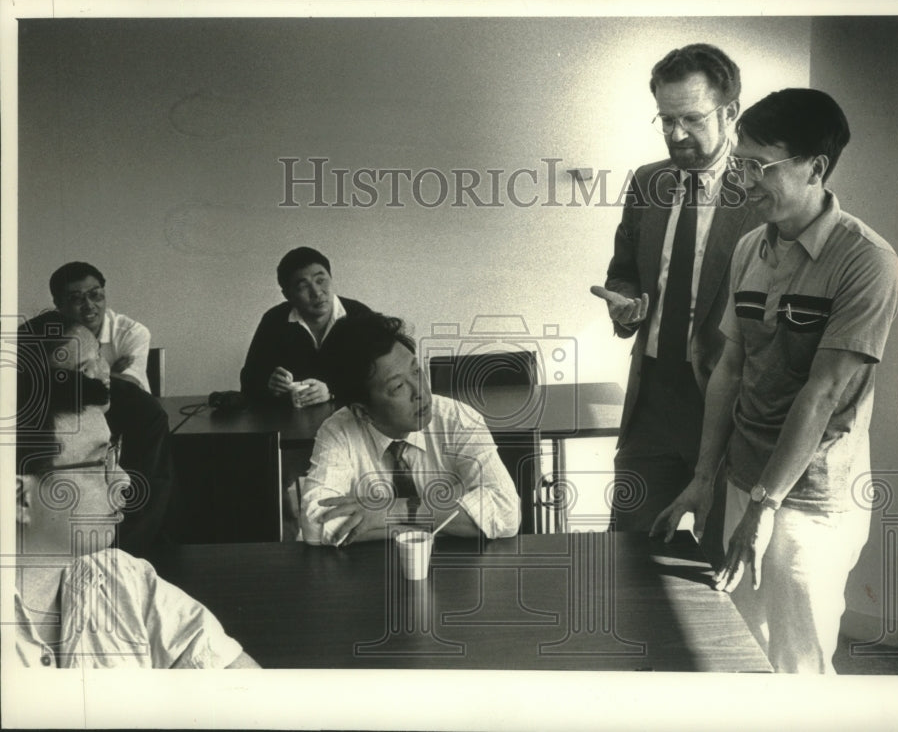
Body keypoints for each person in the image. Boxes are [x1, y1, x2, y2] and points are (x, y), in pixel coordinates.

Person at [651, 88, 898, 673]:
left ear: (815, 167)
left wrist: (763, 511)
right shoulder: (749, 248)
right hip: (746, 479)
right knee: (744, 649)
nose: (744, 180)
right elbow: (730, 370)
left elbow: (823, 395)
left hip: (811, 500)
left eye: (758, 167)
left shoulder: (867, 261)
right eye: (739, 164)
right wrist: (703, 478)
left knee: (799, 664)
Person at [590, 44, 762, 546]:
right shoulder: (648, 183)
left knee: (715, 563)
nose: (676, 133)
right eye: (665, 119)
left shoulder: (760, 193)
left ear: (730, 112)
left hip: (727, 404)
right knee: (628, 553)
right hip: (652, 402)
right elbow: (624, 271)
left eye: (690, 118)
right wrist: (623, 306)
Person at [14, 370, 259, 668]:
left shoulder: (122, 579)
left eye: (114, 454)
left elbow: (242, 684)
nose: (124, 480)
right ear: (19, 498)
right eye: (99, 462)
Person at [300, 312, 520, 544]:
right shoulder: (338, 430)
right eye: (398, 387)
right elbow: (316, 525)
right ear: (362, 411)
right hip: (370, 573)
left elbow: (506, 512)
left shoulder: (457, 419)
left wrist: (390, 511)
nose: (420, 391)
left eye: (416, 370)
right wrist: (432, 528)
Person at [18, 312, 174, 559]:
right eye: (82, 368)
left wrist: (108, 564)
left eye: (99, 356)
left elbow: (147, 504)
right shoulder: (33, 423)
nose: (102, 373)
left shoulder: (141, 409)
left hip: (129, 548)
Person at [240, 246, 371, 405]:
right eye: (303, 286)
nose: (316, 292)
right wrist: (268, 386)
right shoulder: (274, 321)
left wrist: (332, 393)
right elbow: (248, 384)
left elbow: (381, 382)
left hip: (351, 420)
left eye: (321, 281)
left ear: (331, 277)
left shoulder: (360, 316)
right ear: (288, 295)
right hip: (291, 421)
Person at [49, 261, 152, 393]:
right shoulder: (50, 332)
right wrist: (109, 374)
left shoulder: (132, 332)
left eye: (95, 295)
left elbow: (128, 387)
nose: (89, 305)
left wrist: (79, 378)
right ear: (58, 304)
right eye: (76, 298)